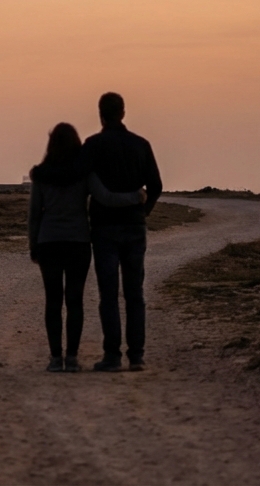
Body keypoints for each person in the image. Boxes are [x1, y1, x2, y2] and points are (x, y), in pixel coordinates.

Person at [28, 123, 146, 373]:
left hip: (49, 241)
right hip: (78, 243)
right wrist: (135, 197)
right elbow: (106, 197)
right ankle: (71, 358)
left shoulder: (40, 174)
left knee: (52, 301)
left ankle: (54, 358)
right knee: (75, 301)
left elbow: (34, 215)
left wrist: (33, 244)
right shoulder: (83, 174)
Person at [83, 92, 163, 372]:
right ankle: (137, 356)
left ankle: (112, 356)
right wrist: (143, 212)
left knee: (108, 295)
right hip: (134, 227)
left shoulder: (92, 146)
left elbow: (83, 186)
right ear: (123, 113)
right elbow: (156, 185)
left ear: (100, 114)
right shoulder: (141, 145)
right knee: (134, 294)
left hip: (104, 228)